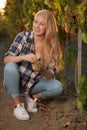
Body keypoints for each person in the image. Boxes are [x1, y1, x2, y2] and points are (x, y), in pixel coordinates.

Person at [4, 9, 63, 120]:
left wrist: (41, 70)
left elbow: (50, 75)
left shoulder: (51, 47)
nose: (36, 26)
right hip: (17, 81)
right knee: (10, 66)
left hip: (33, 84)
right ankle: (17, 106)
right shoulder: (24, 36)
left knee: (57, 87)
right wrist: (23, 57)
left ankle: (31, 97)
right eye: (36, 22)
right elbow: (6, 59)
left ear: (48, 28)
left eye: (41, 24)